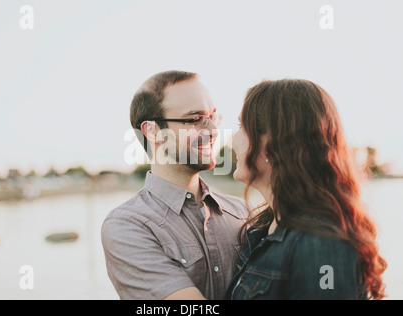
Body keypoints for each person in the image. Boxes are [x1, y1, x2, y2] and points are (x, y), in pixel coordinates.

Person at [225, 79, 387, 300]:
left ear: (273, 143)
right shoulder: (262, 228)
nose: (233, 140)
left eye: (242, 128)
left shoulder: (321, 244)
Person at [101, 70, 248, 300]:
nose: (212, 131)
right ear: (152, 131)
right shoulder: (128, 226)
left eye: (213, 117)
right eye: (195, 119)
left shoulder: (243, 212)